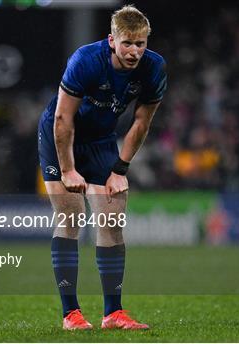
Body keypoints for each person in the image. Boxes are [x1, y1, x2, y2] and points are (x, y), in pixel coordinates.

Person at [37, 5, 167, 330]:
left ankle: (113, 313)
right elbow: (63, 118)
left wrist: (120, 169)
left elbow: (142, 121)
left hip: (101, 140)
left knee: (111, 219)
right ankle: (71, 314)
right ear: (112, 40)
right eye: (127, 43)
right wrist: (67, 169)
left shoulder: (154, 68)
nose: (134, 51)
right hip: (60, 136)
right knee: (71, 217)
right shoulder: (86, 60)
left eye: (140, 44)